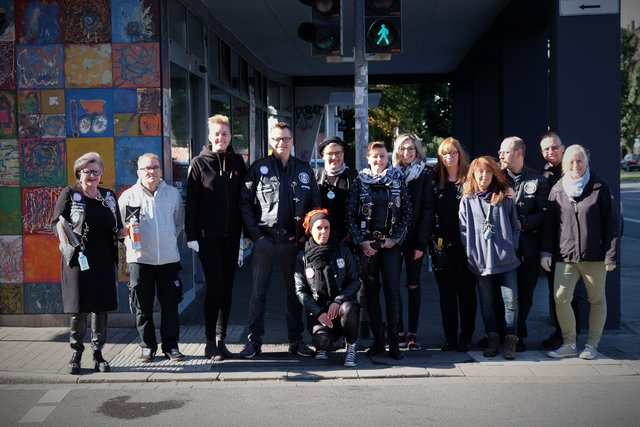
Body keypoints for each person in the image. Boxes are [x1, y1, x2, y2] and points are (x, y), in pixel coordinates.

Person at [238, 121, 321, 359]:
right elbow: (244, 203)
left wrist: (305, 236)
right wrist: (256, 236)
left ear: (292, 140)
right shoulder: (258, 168)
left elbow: (315, 206)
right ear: (270, 141)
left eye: (285, 138)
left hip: (293, 242)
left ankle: (296, 341)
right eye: (276, 139)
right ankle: (254, 342)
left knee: (295, 293)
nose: (281, 143)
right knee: (257, 294)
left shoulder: (304, 170)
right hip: (265, 241)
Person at [542, 145, 619, 360]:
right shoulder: (558, 189)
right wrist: (546, 252)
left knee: (597, 299)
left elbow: (611, 224)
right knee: (560, 298)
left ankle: (592, 345)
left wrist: (610, 254)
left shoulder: (599, 187)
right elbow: (550, 225)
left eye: (580, 161)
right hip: (565, 255)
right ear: (565, 164)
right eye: (571, 161)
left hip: (594, 255)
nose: (575, 165)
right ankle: (569, 344)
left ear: (586, 162)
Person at [52, 152, 124, 374]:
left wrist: (124, 235)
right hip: (77, 259)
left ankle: (98, 353)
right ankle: (76, 354)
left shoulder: (109, 196)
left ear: (101, 173)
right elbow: (55, 222)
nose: (91, 175)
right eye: (86, 171)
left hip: (103, 259)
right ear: (78, 174)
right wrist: (65, 237)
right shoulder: (70, 194)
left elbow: (118, 227)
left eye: (95, 171)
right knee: (78, 309)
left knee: (100, 308)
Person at [185, 114, 247, 361]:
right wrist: (191, 235)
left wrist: (246, 234)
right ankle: (209, 340)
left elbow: (244, 200)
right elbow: (192, 202)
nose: (221, 138)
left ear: (230, 136)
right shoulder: (199, 163)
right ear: (209, 137)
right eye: (217, 134)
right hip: (207, 236)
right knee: (215, 286)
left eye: (225, 134)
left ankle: (222, 339)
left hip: (232, 235)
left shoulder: (238, 162)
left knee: (228, 287)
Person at [347, 141, 411, 360]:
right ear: (368, 158)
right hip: (368, 246)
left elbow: (407, 214)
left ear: (388, 157)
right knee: (370, 294)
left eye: (382, 156)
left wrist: (395, 238)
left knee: (392, 292)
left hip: (391, 245)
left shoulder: (398, 179)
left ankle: (394, 341)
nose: (379, 160)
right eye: (375, 156)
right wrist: (361, 242)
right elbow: (350, 216)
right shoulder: (359, 181)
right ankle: (378, 341)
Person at [119, 153, 185, 363]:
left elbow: (178, 223)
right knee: (143, 307)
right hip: (140, 260)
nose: (151, 171)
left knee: (170, 307)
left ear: (161, 170)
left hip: (168, 260)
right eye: (146, 168)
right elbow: (121, 229)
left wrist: (165, 241)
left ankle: (171, 346)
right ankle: (147, 347)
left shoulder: (172, 194)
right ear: (138, 172)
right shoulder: (128, 196)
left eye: (155, 167)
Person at [459, 156, 521, 359]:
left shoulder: (504, 196)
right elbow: (464, 230)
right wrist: (472, 254)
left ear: (493, 174)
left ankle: (510, 340)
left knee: (510, 301)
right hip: (481, 261)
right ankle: (493, 338)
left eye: (487, 172)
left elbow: (515, 226)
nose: (484, 176)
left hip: (506, 260)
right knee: (486, 302)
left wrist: (511, 247)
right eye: (479, 172)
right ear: (473, 175)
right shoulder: (467, 200)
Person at [499, 136, 549, 352]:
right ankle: (504, 333)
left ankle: (518, 332)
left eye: (505, 152)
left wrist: (522, 223)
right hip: (502, 248)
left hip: (528, 248)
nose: (500, 155)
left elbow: (544, 214)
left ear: (519, 153)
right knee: (503, 294)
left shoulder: (538, 180)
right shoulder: (497, 178)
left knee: (526, 292)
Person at [294, 209, 361, 367]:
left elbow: (355, 280)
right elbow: (300, 291)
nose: (323, 231)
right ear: (310, 230)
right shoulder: (301, 257)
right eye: (319, 228)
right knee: (323, 340)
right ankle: (323, 347)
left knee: (349, 308)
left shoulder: (342, 250)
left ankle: (351, 347)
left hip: (341, 308)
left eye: (327, 227)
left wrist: (338, 301)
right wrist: (318, 312)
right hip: (319, 313)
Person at [430, 137, 477, 352]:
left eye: (453, 152)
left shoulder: (470, 179)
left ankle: (465, 337)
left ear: (460, 154)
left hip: (466, 246)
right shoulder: (433, 178)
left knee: (466, 294)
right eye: (445, 153)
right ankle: (450, 337)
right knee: (446, 295)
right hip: (441, 247)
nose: (449, 157)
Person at [539, 132, 583, 350]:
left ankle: (571, 337)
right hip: (553, 244)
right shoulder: (544, 175)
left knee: (574, 294)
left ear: (563, 148)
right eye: (546, 149)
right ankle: (562, 334)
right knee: (557, 293)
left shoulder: (575, 172)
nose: (551, 152)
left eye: (554, 147)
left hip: (576, 243)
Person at [391, 133, 434, 350]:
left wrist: (420, 244)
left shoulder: (425, 174)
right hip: (393, 240)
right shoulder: (390, 174)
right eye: (403, 148)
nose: (406, 153)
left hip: (415, 240)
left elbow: (428, 210)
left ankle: (412, 332)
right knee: (393, 284)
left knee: (413, 285)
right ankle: (398, 330)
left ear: (417, 151)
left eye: (411, 149)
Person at [315, 136, 357, 242]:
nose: (334, 157)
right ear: (323, 156)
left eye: (338, 153)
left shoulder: (353, 176)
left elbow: (359, 206)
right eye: (330, 153)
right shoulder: (315, 176)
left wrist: (353, 232)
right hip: (321, 235)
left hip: (346, 236)